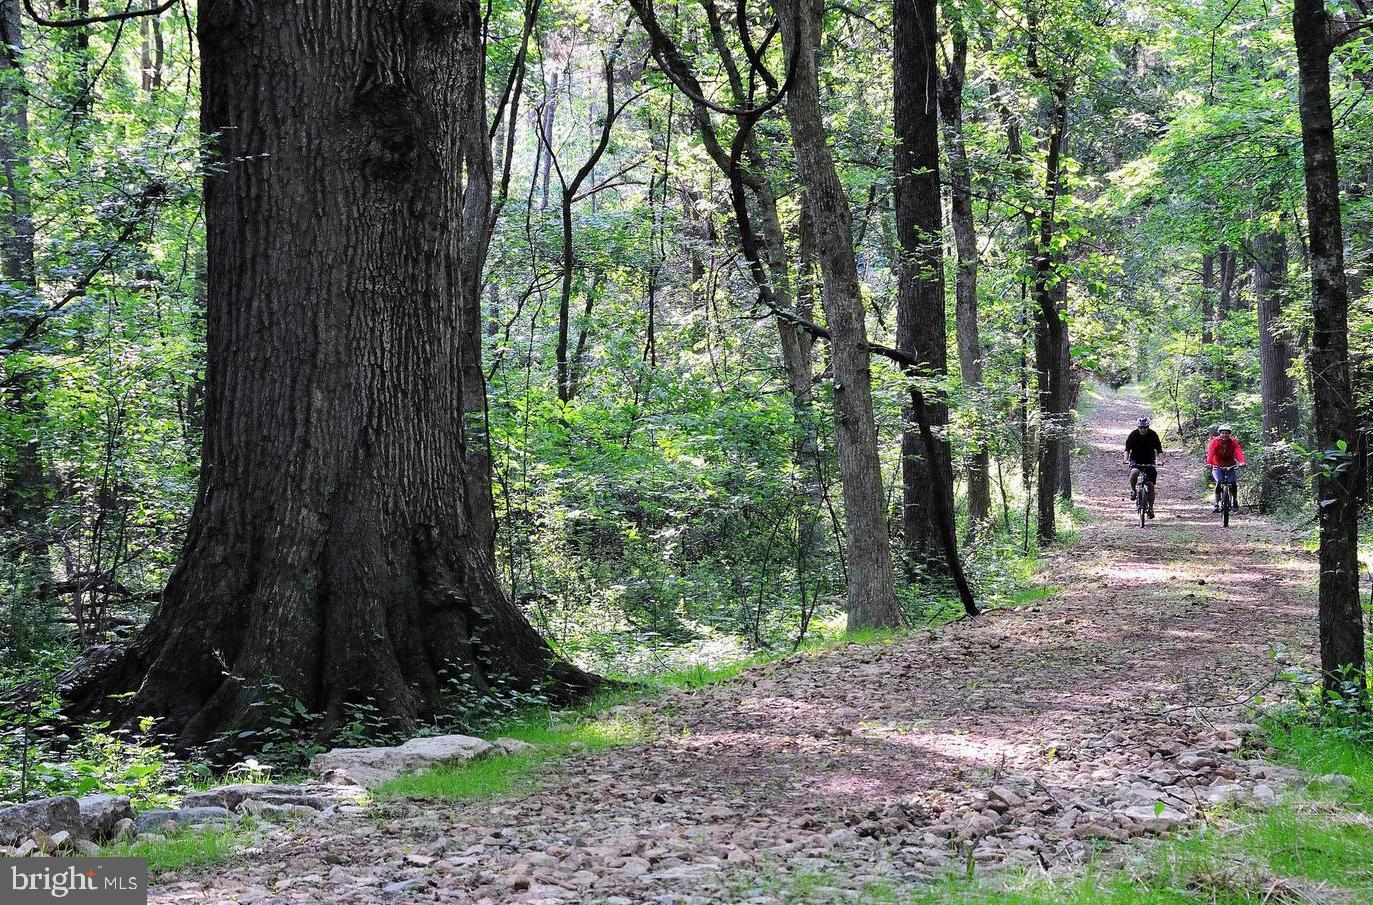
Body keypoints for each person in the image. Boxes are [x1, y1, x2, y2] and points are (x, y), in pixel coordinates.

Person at [1124, 416, 1164, 518]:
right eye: (1141, 427)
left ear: (1148, 427)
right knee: (1134, 473)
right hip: (1135, 460)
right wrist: (1125, 459)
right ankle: (1133, 490)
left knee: (1150, 485)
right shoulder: (1133, 434)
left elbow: (1159, 450)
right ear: (1138, 427)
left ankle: (1150, 508)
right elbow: (1127, 449)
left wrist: (1160, 460)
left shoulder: (1153, 435)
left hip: (1149, 461)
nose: (1143, 430)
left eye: (1145, 427)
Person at [1205, 423, 1246, 513]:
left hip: (1230, 465)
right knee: (1219, 482)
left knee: (1233, 483)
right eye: (1222, 433)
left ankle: (1235, 501)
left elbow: (1238, 451)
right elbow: (1211, 452)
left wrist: (1242, 461)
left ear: (1229, 434)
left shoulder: (1233, 441)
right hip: (1217, 465)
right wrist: (1209, 463)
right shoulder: (1215, 441)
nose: (1224, 435)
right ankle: (1216, 504)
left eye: (1226, 433)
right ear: (1220, 433)